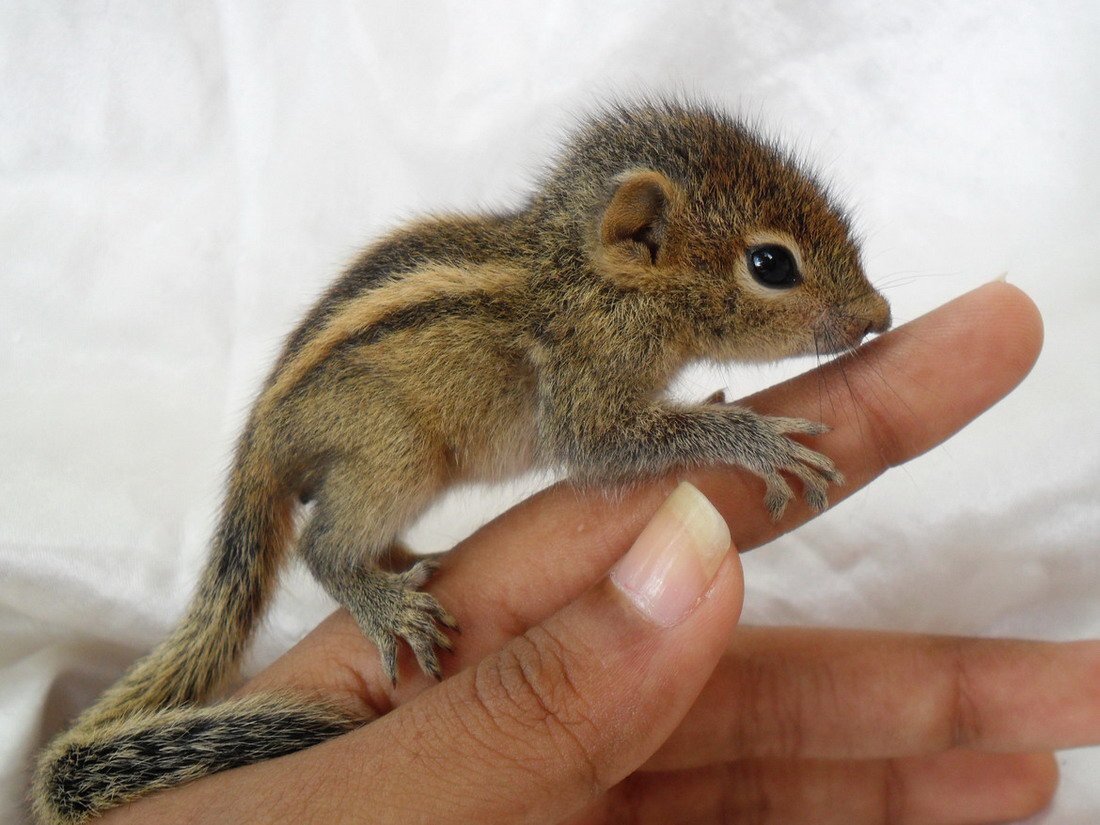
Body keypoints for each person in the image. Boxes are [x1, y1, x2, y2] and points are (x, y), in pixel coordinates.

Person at [101, 283, 1084, 824]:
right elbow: (596, 443)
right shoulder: (596, 321)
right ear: (643, 246)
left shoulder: (619, 322)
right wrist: (728, 437)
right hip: (356, 416)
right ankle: (353, 569)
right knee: (397, 450)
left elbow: (609, 429)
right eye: (777, 273)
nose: (860, 313)